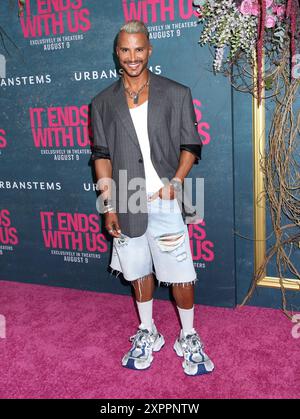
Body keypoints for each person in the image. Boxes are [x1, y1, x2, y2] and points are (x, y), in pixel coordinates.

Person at [91, 20, 214, 376]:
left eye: (139, 49)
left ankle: (188, 335)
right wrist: (109, 204)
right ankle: (148, 330)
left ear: (150, 50)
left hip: (164, 196)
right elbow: (101, 155)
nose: (133, 57)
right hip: (125, 196)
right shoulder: (101, 102)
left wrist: (175, 181)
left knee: (180, 275)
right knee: (137, 269)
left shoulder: (176, 93)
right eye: (126, 50)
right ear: (117, 53)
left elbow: (191, 144)